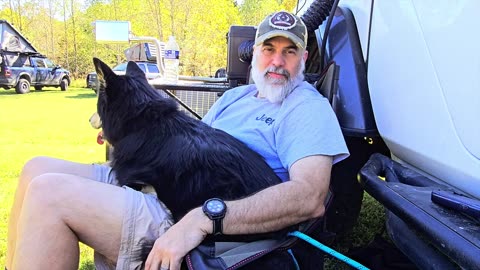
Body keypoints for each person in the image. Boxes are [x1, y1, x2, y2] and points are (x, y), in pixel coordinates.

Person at [6, 11, 348, 270]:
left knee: (49, 194)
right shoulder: (238, 97)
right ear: (254, 52)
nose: (277, 61)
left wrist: (203, 219)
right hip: (168, 186)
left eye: (290, 51)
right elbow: (194, 143)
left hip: (204, 220)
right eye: (269, 48)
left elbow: (309, 198)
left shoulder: (307, 108)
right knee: (36, 170)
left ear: (303, 58)